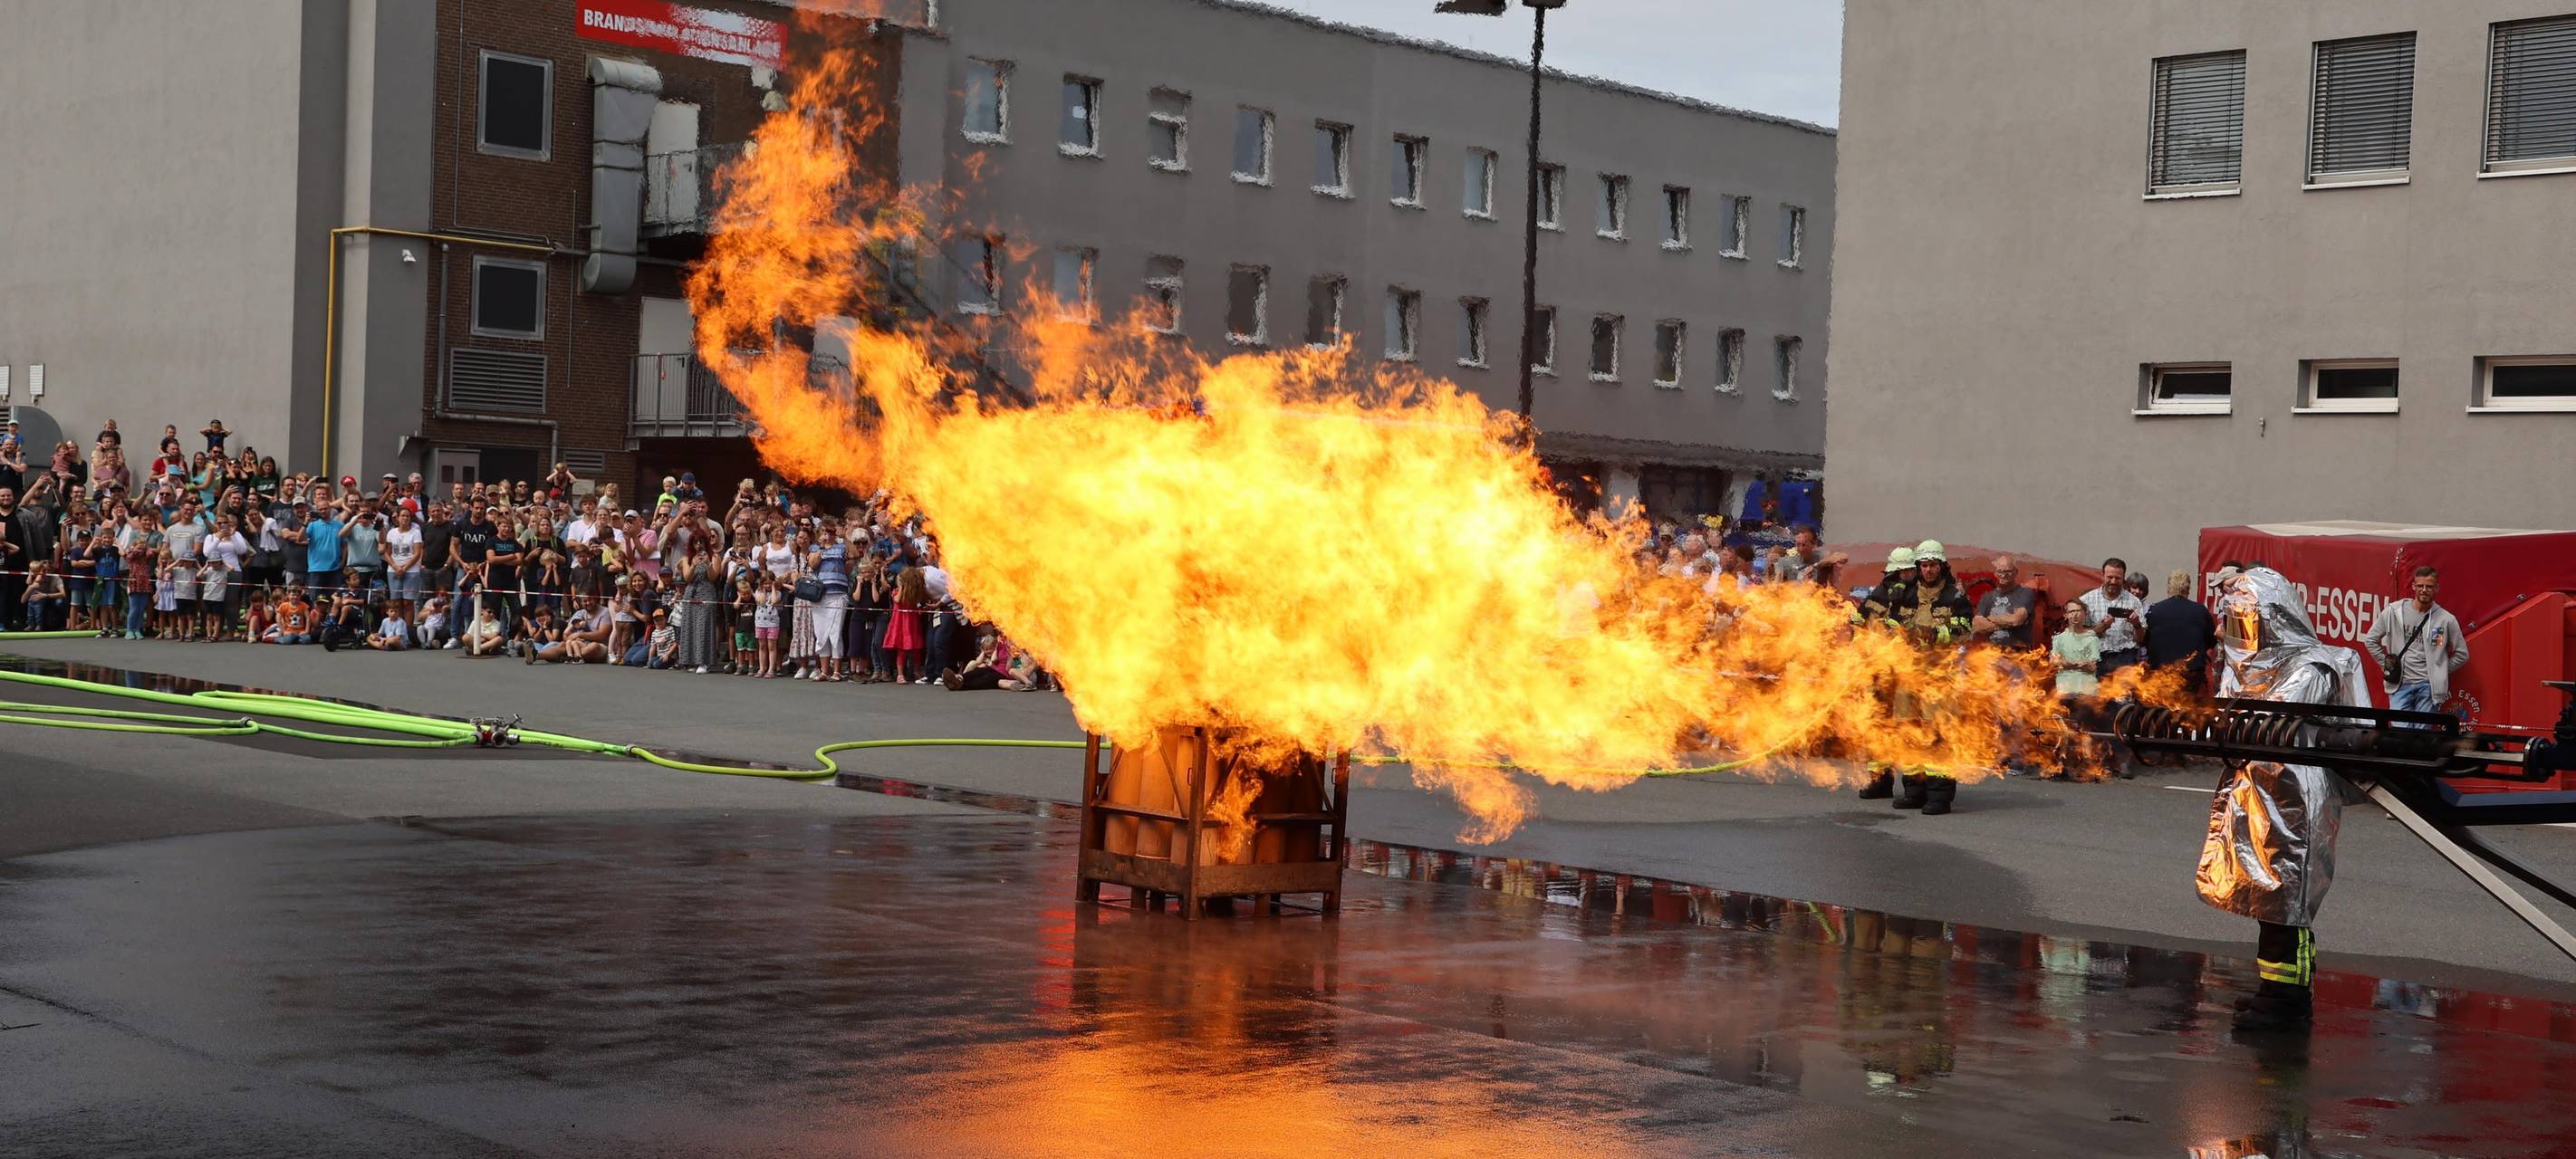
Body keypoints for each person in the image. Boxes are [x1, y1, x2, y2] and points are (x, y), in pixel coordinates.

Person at [2196, 567, 2373, 1033]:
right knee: (2267, 898)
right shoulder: (2250, 667)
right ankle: (2273, 991)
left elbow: (2269, 721)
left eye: (2243, 624)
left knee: (2287, 899)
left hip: (2294, 797)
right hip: (2260, 789)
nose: (2234, 635)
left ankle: (2287, 1001)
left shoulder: (2312, 667)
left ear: (2271, 620)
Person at [1872, 541, 1975, 814]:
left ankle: (1939, 796)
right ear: (1918, 567)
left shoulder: (1955, 597)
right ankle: (1913, 791)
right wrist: (1892, 630)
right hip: (1909, 675)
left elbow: (1964, 631)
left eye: (1933, 565)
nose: (1928, 570)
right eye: (1924, 565)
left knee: (1937, 736)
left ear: (1941, 566)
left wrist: (1935, 634)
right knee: (1908, 732)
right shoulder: (1904, 593)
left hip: (1940, 677)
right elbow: (1891, 621)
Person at [2363, 565, 2471, 723]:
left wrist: (2438, 672)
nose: (2424, 590)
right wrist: (2388, 665)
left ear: (2437, 588)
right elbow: (2371, 640)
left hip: (2428, 688)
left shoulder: (2446, 619)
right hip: (2400, 684)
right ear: (2413, 586)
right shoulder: (2394, 611)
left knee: (2423, 735)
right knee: (2400, 733)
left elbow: (2462, 654)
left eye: (2429, 586)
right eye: (2420, 586)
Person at [2144, 569, 2218, 697]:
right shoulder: (2200, 611)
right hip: (2191, 672)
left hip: (2161, 673)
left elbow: (2146, 641)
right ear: (2188, 589)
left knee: (2162, 710)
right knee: (2189, 712)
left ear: (2169, 587)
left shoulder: (2154, 611)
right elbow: (2212, 641)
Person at [2078, 558, 2145, 682]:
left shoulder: (2134, 602)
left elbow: (2140, 640)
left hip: (2125, 659)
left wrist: (2137, 625)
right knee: (2096, 700)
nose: (2113, 581)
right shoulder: (2086, 600)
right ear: (2102, 576)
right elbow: (2079, 637)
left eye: (2118, 578)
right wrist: (2102, 627)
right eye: (2110, 577)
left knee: (2124, 700)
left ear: (2123, 577)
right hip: (2096, 659)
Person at [886, 565, 930, 684]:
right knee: (902, 649)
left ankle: (916, 671)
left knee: (916, 648)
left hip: (912, 623)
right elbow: (898, 600)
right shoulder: (896, 592)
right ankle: (900, 674)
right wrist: (901, 587)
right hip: (900, 623)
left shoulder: (913, 594)